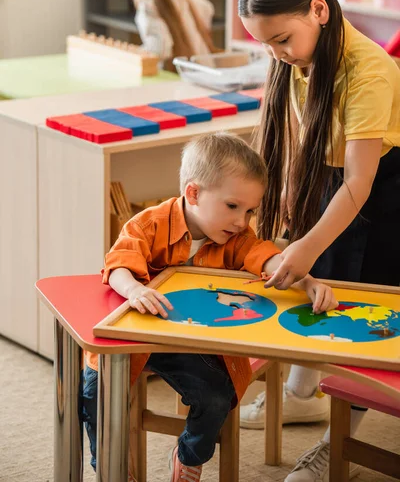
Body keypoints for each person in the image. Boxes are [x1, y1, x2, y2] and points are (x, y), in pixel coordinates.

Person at [82, 131, 338, 482]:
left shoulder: (237, 239)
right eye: (233, 207)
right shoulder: (147, 224)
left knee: (218, 396)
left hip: (188, 346)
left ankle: (188, 456)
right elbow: (118, 264)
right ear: (194, 193)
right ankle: (110, 467)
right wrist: (132, 289)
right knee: (93, 391)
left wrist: (307, 281)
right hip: (134, 338)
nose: (241, 221)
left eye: (250, 210)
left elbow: (269, 259)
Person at [238, 0, 400, 482]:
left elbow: (361, 181)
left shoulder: (371, 69)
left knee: (361, 312)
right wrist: (290, 203)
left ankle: (337, 449)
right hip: (337, 181)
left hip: (383, 189)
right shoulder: (299, 60)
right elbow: (298, 138)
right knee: (320, 285)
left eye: (282, 39)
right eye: (266, 44)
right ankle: (303, 395)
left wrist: (304, 244)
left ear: (318, 10)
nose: (276, 55)